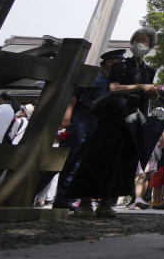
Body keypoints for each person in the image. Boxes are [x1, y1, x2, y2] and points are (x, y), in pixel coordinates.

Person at [68, 28, 159, 218]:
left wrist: (146, 107)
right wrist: (140, 86)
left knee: (123, 162)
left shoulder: (149, 71)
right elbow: (113, 88)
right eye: (137, 39)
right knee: (100, 157)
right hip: (114, 116)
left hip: (133, 119)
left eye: (144, 41)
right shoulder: (120, 65)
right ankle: (85, 201)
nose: (140, 44)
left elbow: (145, 98)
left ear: (150, 47)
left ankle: (106, 202)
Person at [52, 49, 123, 209]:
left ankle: (64, 199)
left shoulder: (113, 82)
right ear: (109, 61)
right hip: (81, 118)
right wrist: (67, 117)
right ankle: (33, 192)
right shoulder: (93, 76)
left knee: (79, 163)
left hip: (97, 122)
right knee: (64, 160)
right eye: (119, 62)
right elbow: (74, 95)